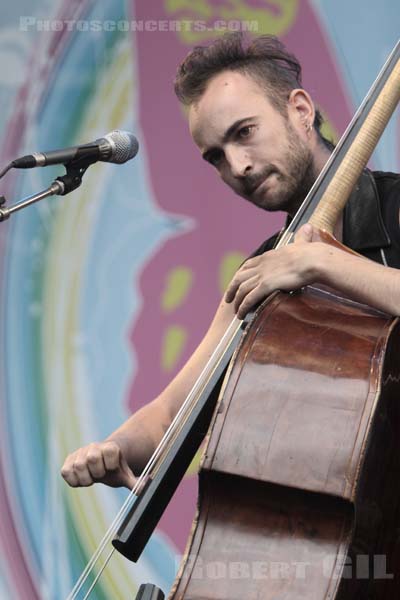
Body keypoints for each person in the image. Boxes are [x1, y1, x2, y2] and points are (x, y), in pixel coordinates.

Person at [61, 33, 400, 490]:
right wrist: (112, 449)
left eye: (245, 132)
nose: (237, 166)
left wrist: (323, 262)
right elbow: (168, 414)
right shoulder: (267, 268)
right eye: (215, 157)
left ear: (299, 110)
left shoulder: (394, 203)